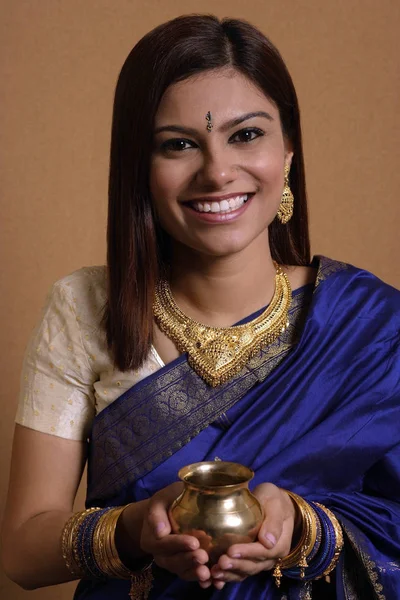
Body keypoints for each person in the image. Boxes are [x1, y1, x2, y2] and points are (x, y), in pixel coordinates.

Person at [1, 13, 399, 600]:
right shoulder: (85, 309)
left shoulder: (373, 328)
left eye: (246, 135)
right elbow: (23, 551)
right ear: (140, 168)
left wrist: (303, 529)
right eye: (179, 144)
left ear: (288, 152)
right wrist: (134, 528)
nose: (216, 172)